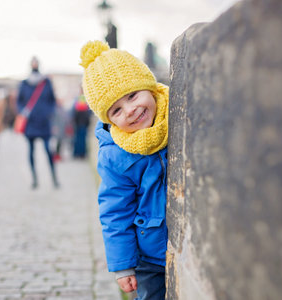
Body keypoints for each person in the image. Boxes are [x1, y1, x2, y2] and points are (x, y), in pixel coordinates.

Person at [79, 40, 169, 299]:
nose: (130, 111)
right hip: (149, 257)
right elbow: (114, 211)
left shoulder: (173, 115)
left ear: (149, 87)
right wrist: (122, 266)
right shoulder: (114, 154)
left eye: (133, 95)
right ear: (109, 120)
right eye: (116, 110)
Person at [17, 57, 59, 189]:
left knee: (48, 150)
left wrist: (49, 113)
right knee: (31, 152)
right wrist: (23, 111)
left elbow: (53, 100)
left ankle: (54, 178)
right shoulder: (24, 83)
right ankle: (34, 179)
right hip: (30, 122)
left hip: (44, 122)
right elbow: (19, 101)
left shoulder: (46, 82)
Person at [71, 92, 91, 159]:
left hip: (79, 124)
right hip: (82, 124)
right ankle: (81, 154)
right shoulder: (85, 100)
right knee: (82, 140)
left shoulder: (78, 100)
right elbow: (88, 115)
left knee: (78, 140)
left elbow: (74, 114)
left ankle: (77, 153)